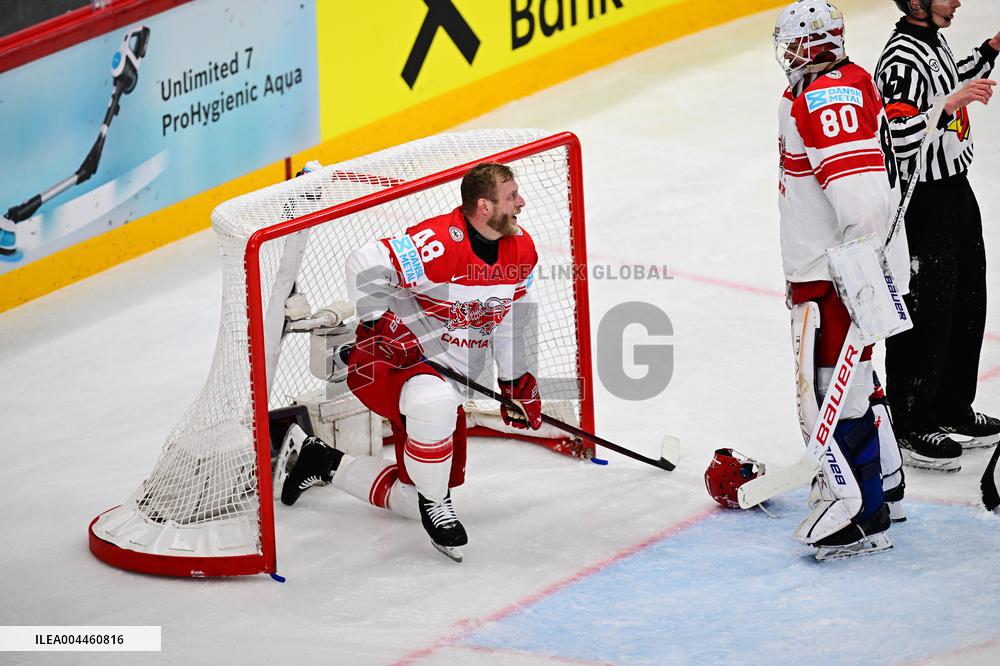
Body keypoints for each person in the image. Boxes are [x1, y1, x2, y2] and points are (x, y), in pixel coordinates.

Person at [276, 162, 542, 562]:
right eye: (511, 197)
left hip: (447, 376)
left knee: (412, 493)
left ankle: (321, 460)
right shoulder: (440, 242)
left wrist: (514, 379)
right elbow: (365, 261)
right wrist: (378, 322)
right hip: (390, 360)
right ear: (484, 207)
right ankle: (438, 507)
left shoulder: (521, 250)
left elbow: (504, 316)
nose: (521, 202)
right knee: (433, 416)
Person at [773, 0, 908, 559]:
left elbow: (861, 197)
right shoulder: (828, 85)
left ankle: (861, 514)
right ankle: (888, 484)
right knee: (857, 380)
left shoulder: (828, 95)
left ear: (815, 43)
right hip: (832, 269)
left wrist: (863, 280)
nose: (785, 54)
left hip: (836, 276)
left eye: (793, 43)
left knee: (832, 390)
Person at [875, 0, 1000, 472]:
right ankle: (910, 420)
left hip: (954, 191)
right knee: (926, 308)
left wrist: (990, 48)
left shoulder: (931, 42)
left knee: (967, 300)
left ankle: (951, 408)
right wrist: (950, 103)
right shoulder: (901, 59)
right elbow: (900, 137)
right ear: (916, 3)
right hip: (921, 201)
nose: (957, 1)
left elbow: (951, 77)